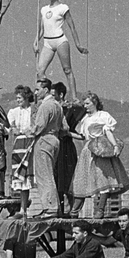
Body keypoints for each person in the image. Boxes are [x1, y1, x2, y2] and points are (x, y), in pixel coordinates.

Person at [69, 92, 129, 219]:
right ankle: (74, 211)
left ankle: (100, 210)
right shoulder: (85, 119)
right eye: (84, 104)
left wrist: (115, 145)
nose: (85, 106)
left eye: (87, 103)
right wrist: (68, 134)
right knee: (83, 179)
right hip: (88, 150)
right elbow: (82, 136)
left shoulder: (103, 115)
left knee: (103, 179)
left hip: (100, 148)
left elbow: (107, 132)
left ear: (95, 102)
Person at [34, 0, 88, 103]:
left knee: (67, 69)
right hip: (47, 42)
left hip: (60, 40)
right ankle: (44, 95)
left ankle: (74, 97)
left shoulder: (63, 8)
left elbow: (71, 27)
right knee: (40, 71)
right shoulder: (44, 9)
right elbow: (41, 29)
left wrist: (78, 45)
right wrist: (35, 41)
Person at [29, 77, 68, 218]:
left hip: (44, 139)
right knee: (49, 174)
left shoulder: (45, 106)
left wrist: (28, 132)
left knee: (44, 175)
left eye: (38, 89)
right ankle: (53, 206)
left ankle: (50, 207)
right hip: (55, 139)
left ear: (45, 90)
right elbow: (65, 127)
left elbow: (38, 126)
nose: (36, 92)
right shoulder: (57, 105)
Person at [51, 81, 85, 216]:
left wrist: (67, 133)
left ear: (61, 95)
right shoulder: (52, 108)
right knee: (56, 178)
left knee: (70, 178)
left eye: (54, 95)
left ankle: (73, 211)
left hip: (66, 147)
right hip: (56, 147)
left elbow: (81, 134)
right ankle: (58, 210)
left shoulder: (71, 110)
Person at [7, 85, 36, 213]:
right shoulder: (14, 112)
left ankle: (26, 207)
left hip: (30, 143)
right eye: (17, 98)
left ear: (26, 98)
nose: (18, 100)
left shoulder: (33, 111)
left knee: (28, 175)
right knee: (21, 177)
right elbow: (9, 128)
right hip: (19, 144)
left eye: (20, 98)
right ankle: (22, 208)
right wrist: (14, 129)